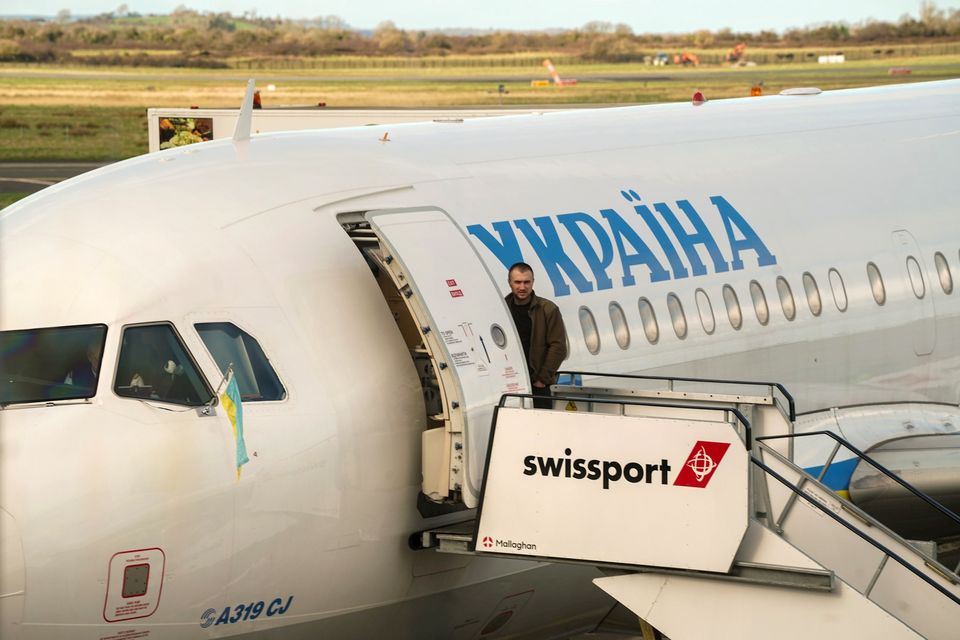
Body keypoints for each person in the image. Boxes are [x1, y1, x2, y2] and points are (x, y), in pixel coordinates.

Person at [505, 262, 567, 409]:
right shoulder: (502, 308)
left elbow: (558, 347)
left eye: (527, 282)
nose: (522, 287)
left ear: (533, 282)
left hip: (538, 384)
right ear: (509, 283)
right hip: (511, 383)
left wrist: (542, 379)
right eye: (517, 282)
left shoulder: (548, 309)